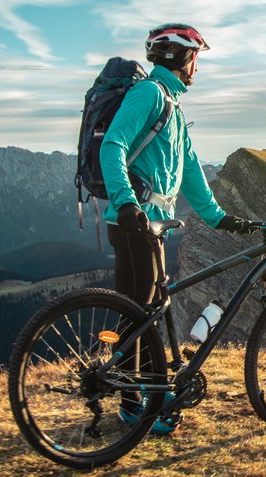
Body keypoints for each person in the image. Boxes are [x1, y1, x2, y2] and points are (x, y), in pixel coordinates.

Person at [100, 23, 249, 434]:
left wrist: (219, 217)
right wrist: (127, 202)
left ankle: (153, 389)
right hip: (133, 222)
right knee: (137, 316)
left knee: (147, 309)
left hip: (151, 224)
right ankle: (133, 407)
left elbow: (191, 173)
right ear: (180, 58)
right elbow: (111, 145)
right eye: (195, 58)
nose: (196, 67)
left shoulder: (172, 107)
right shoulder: (148, 94)